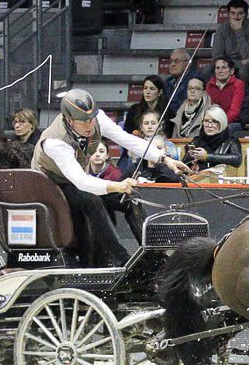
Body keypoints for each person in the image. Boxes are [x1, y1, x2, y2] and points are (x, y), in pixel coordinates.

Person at [32, 88, 191, 266]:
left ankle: (153, 256)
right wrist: (118, 186)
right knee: (93, 201)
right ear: (69, 120)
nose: (89, 125)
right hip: (53, 184)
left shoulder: (97, 119)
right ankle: (123, 261)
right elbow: (80, 181)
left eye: (91, 119)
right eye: (83, 121)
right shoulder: (55, 142)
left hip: (78, 178)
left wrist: (165, 159)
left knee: (130, 198)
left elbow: (127, 140)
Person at [212, 0, 249, 81]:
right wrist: (240, 63)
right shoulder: (222, 28)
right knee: (207, 70)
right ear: (228, 14)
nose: (236, 17)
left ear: (246, 14)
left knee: (243, 72)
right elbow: (217, 56)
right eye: (233, 13)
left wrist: (238, 30)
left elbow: (247, 55)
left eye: (240, 13)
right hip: (227, 63)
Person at [184, 105, 242, 175]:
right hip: (200, 180)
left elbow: (237, 159)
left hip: (223, 180)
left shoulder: (231, 141)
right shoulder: (196, 141)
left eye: (214, 122)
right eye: (206, 121)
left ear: (222, 123)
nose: (209, 125)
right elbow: (184, 168)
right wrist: (190, 160)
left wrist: (207, 156)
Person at [206, 58, 246, 126]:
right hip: (212, 121)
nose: (220, 71)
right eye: (217, 68)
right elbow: (206, 107)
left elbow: (234, 111)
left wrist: (219, 123)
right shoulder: (209, 85)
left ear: (232, 71)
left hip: (231, 123)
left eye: (224, 68)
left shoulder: (238, 84)